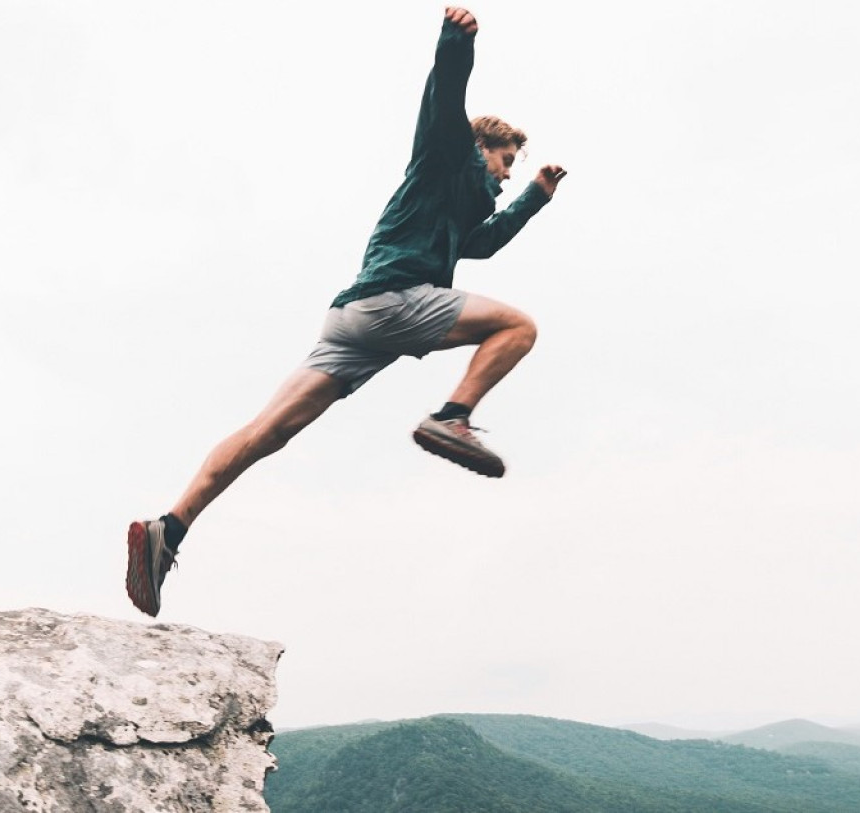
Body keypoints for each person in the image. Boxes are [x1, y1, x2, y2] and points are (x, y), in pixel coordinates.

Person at [126, 6, 567, 617]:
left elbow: (482, 242)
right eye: (505, 162)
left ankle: (167, 529)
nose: (505, 175)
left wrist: (534, 198)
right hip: (395, 301)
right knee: (518, 328)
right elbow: (443, 103)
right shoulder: (446, 157)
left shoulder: (458, 209)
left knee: (267, 432)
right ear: (481, 148)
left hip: (355, 318)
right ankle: (452, 416)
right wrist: (455, 42)